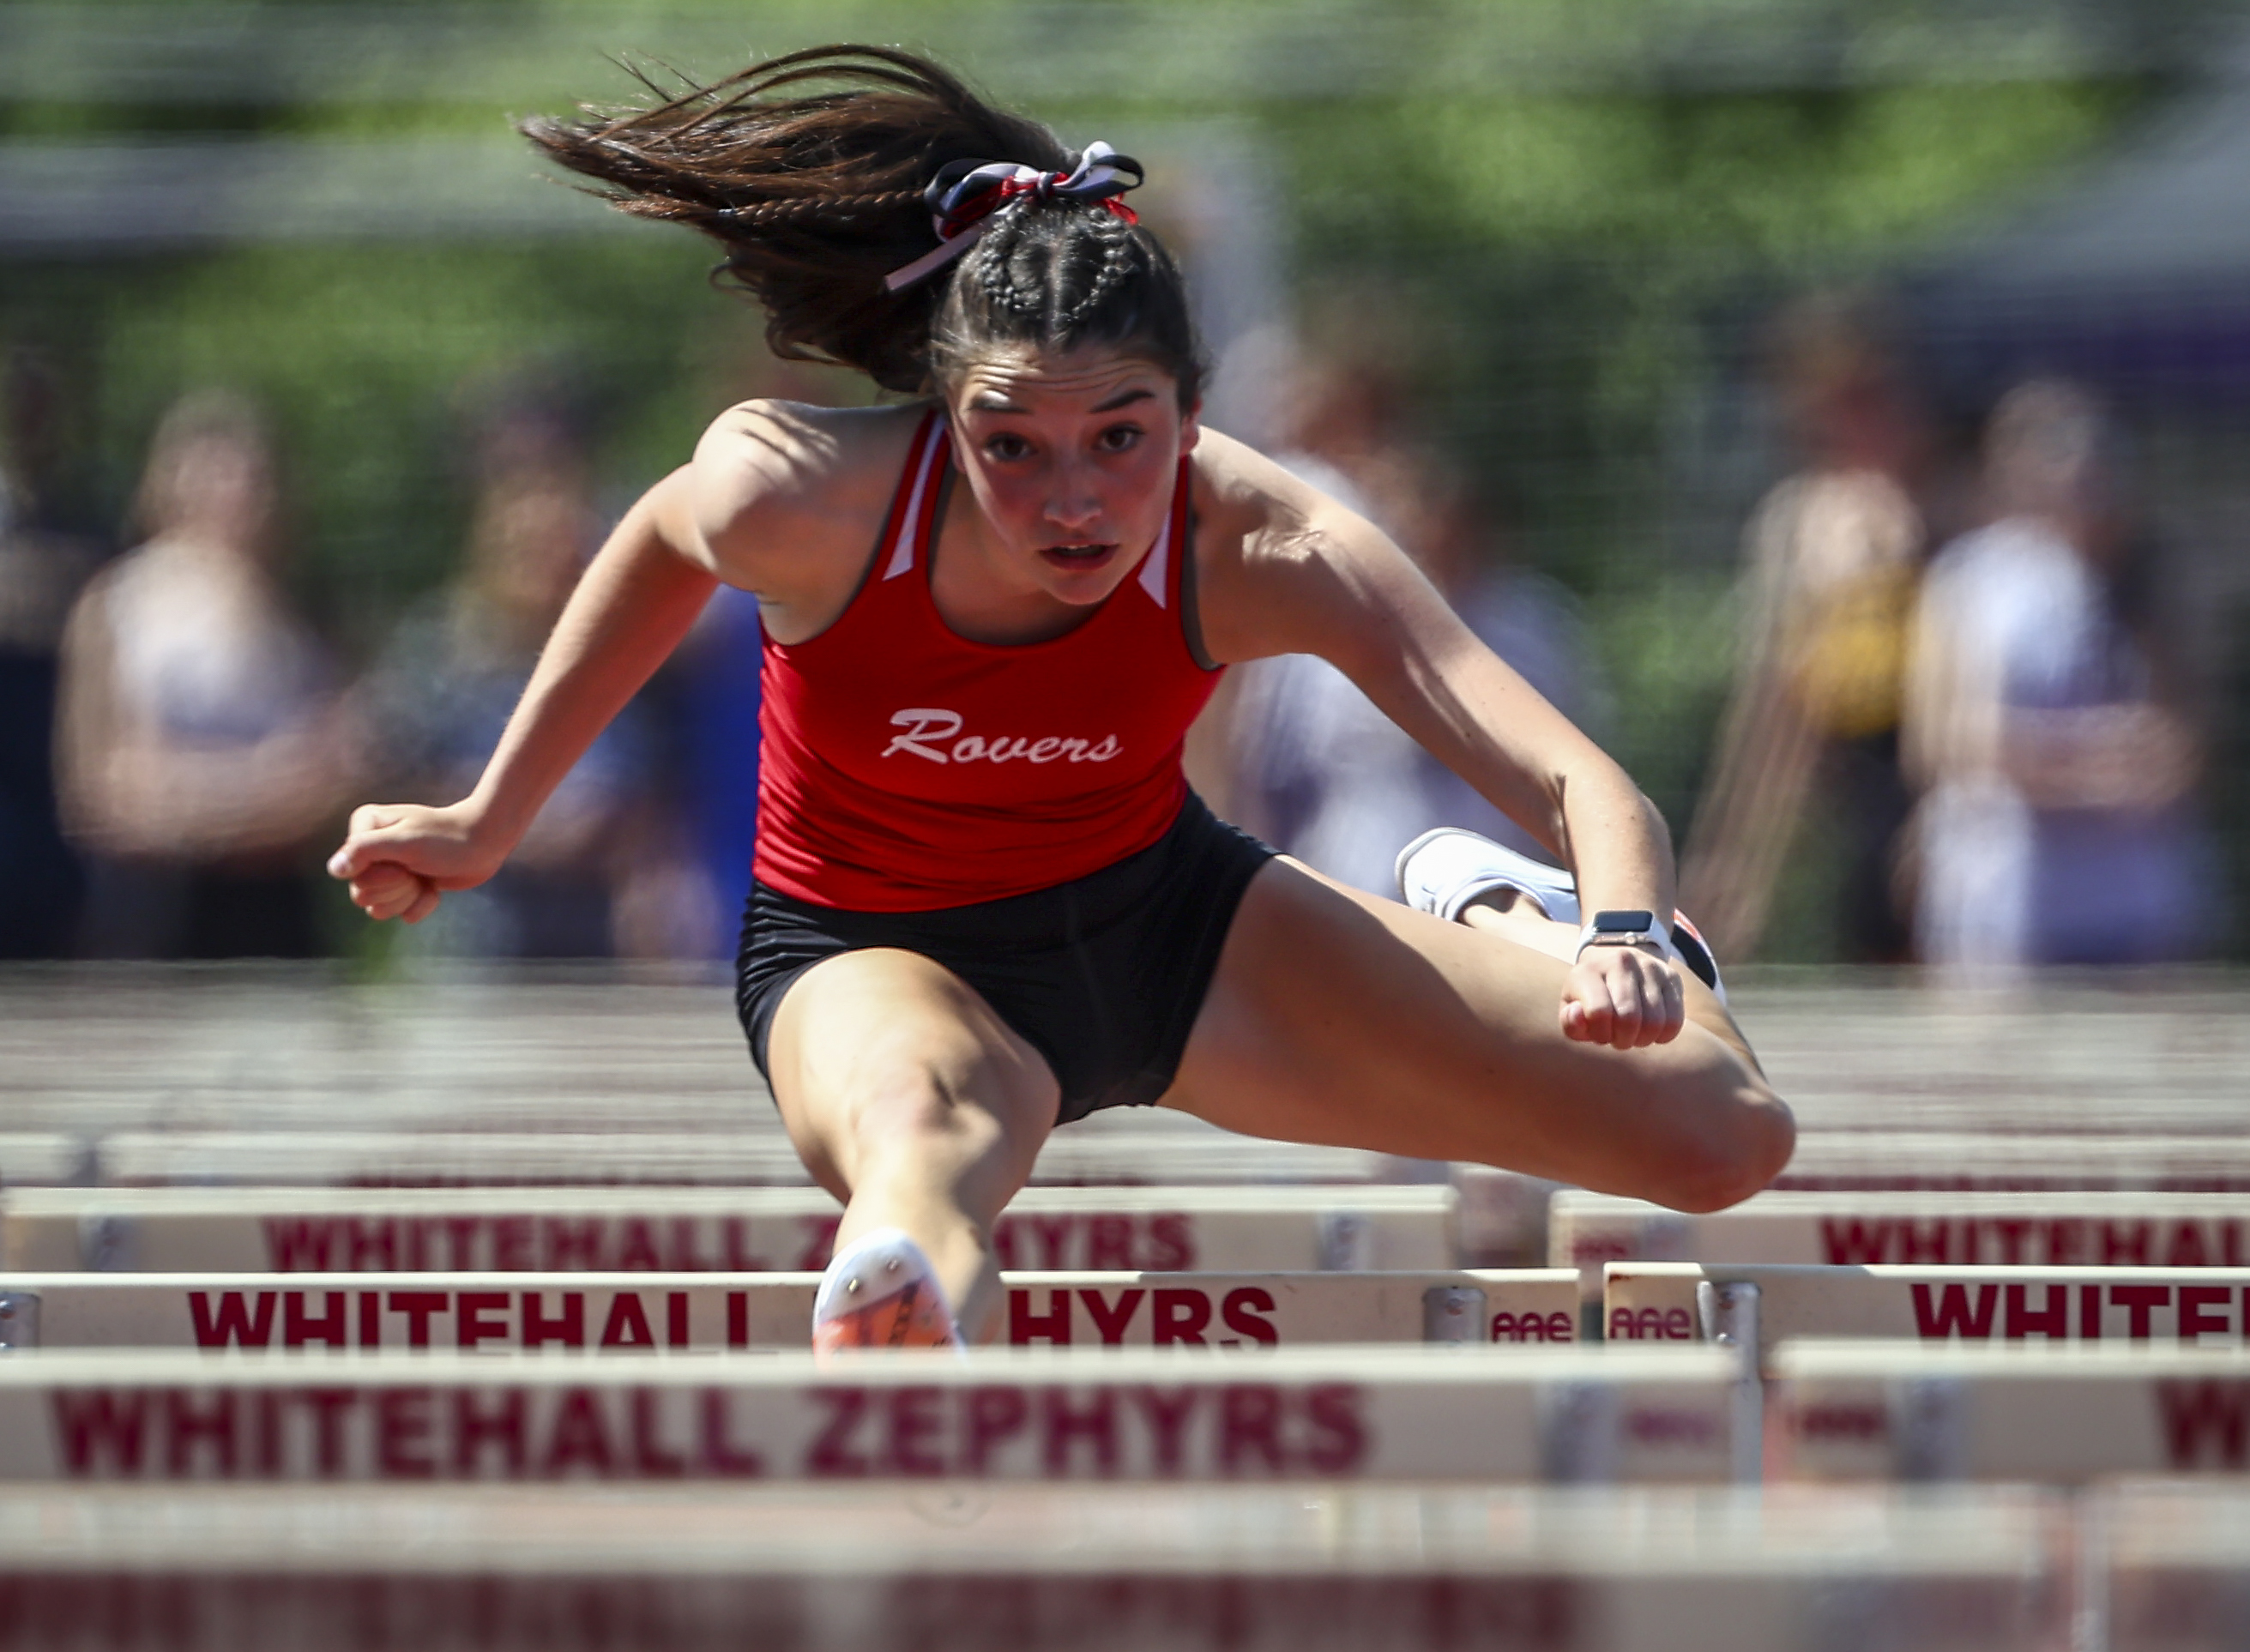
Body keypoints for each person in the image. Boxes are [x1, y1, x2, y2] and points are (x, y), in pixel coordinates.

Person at [327, 45, 1792, 1354]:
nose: (1073, 498)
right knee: (923, 1141)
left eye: (1119, 437)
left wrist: (1611, 932)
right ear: (941, 415)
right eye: (1010, 444)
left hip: (1164, 935)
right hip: (867, 944)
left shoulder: (1259, 543)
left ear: (1193, 417)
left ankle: (1498, 916)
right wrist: (484, 818)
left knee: (1723, 1139)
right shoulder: (809, 498)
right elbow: (657, 540)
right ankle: (900, 1330)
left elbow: (1573, 781)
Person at [1903, 380, 2211, 976]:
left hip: (2138, 907)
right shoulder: (1973, 581)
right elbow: (1948, 744)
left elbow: (2183, 745)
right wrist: (2100, 766)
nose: (2085, 469)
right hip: (2006, 910)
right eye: (2060, 451)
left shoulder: (2145, 580)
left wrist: (2148, 760)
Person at [1679, 293, 1942, 964]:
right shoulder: (1797, 519)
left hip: (1944, 785)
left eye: (1872, 394)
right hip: (1855, 790)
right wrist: (1733, 854)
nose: (1857, 419)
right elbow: (1771, 702)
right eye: (1834, 402)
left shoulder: (1951, 508)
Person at [57, 389, 355, 959]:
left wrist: (200, 797)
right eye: (210, 476)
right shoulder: (116, 603)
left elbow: (332, 778)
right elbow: (104, 785)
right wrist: (253, 791)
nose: (232, 497)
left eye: (248, 480)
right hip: (153, 909)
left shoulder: (306, 613)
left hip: (279, 908)